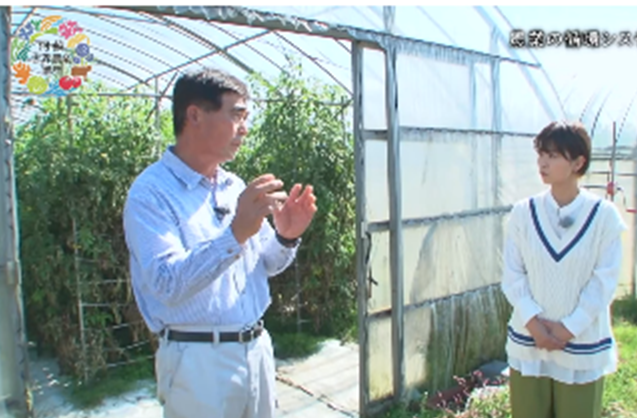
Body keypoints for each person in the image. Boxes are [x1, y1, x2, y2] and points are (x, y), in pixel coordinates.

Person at [122, 68, 317, 418]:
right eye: (236, 115)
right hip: (198, 362)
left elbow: (267, 264)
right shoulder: (151, 194)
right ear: (194, 115)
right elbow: (166, 283)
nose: (245, 128)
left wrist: (287, 236)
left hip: (256, 349)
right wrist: (235, 234)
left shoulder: (233, 186)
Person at [501, 120, 626, 418]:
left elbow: (604, 282)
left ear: (578, 163)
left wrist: (567, 329)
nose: (542, 163)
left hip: (582, 345)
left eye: (553, 155)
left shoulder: (604, 217)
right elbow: (513, 275)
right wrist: (536, 327)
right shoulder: (523, 213)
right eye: (541, 154)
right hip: (529, 342)